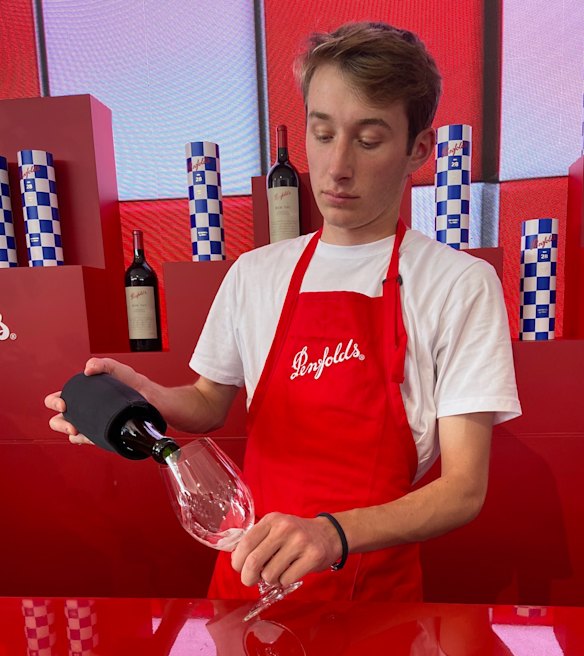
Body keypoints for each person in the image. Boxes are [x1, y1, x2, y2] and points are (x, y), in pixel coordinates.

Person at [45, 22, 521, 602]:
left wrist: (331, 533)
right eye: (322, 135)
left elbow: (463, 490)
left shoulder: (459, 284)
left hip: (372, 601)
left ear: (418, 148)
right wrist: (141, 394)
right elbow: (205, 404)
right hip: (249, 583)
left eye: (368, 140)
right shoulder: (256, 273)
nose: (337, 166)